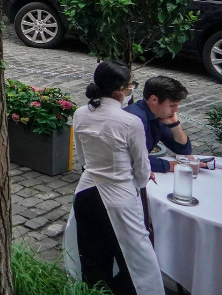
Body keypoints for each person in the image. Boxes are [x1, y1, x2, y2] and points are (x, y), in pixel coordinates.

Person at [63, 60, 163, 295]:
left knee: (92, 259)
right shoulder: (130, 122)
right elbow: (141, 168)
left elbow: (84, 159)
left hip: (86, 192)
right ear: (120, 90)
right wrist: (135, 188)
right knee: (139, 261)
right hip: (119, 197)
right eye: (131, 85)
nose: (131, 90)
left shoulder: (80, 114)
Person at [124, 75, 192, 173]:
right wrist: (172, 166)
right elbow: (134, 159)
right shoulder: (135, 119)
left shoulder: (158, 116)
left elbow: (184, 150)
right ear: (154, 100)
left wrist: (175, 124)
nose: (176, 110)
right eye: (172, 105)